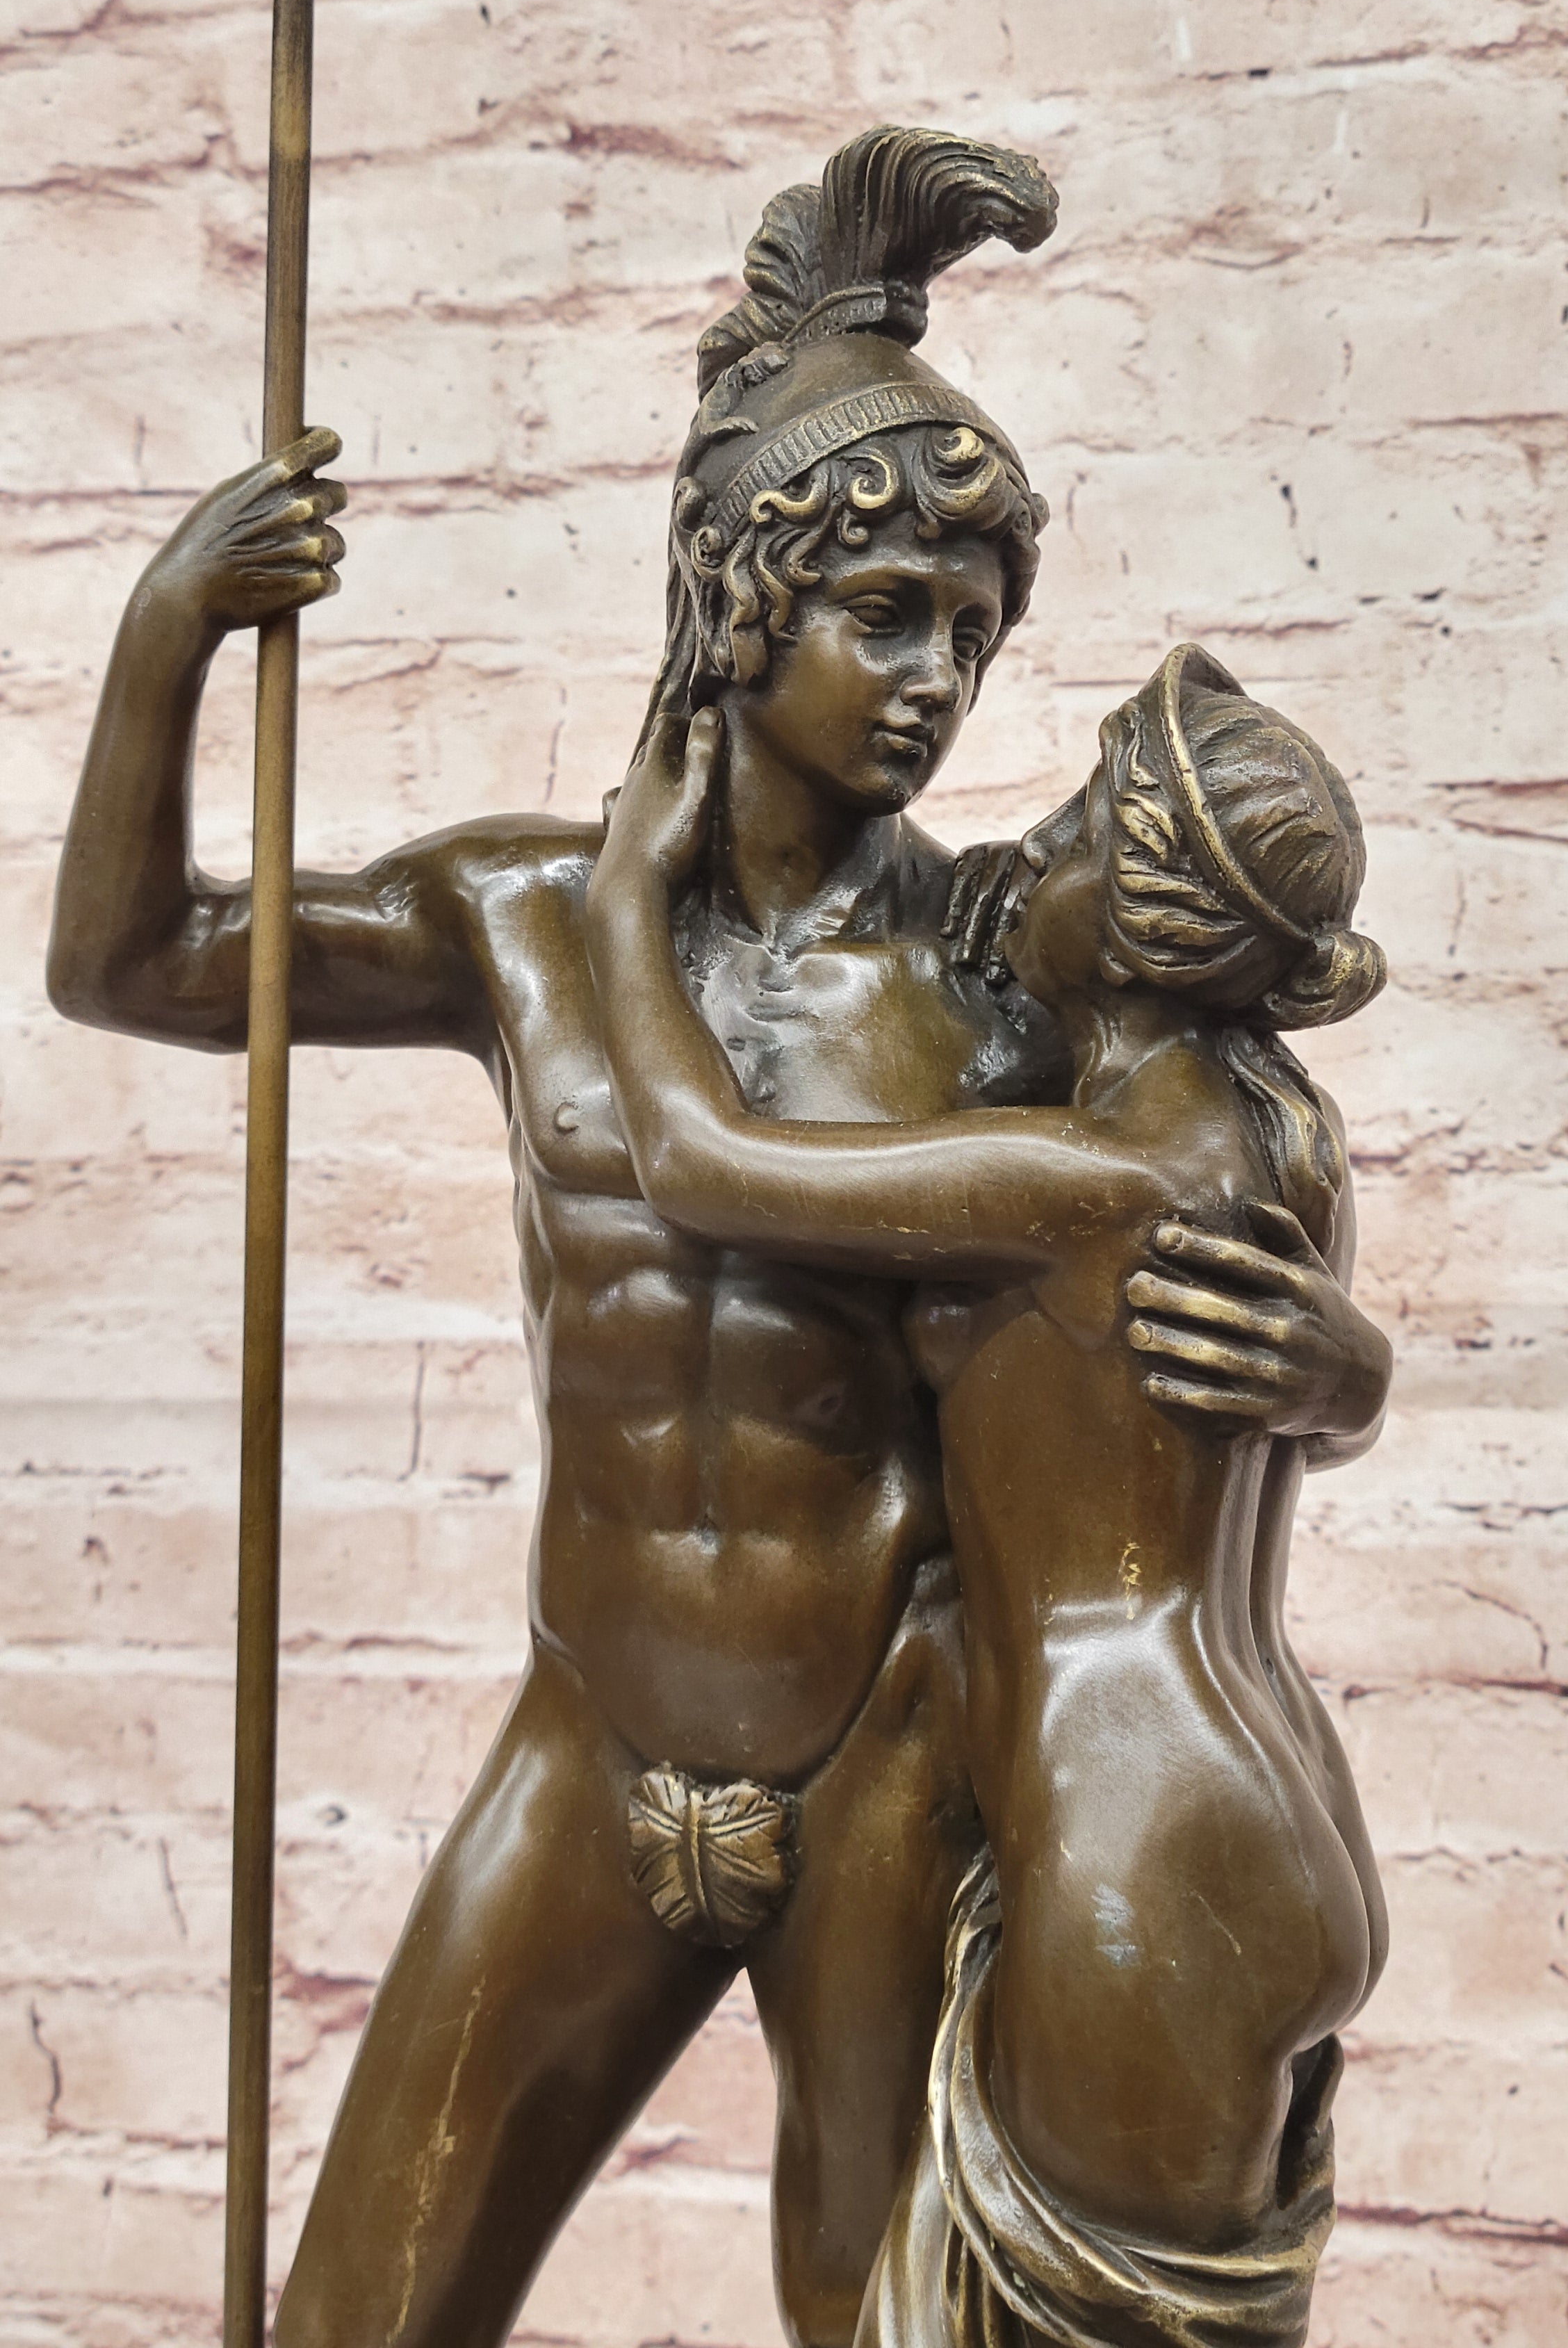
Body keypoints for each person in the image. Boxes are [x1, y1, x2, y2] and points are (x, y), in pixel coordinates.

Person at [47, 128, 1390, 2348]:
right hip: (592, 1734)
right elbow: (136, 965)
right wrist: (169, 632)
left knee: (870, 2311)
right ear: (740, 595)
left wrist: (1347, 1376)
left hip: (882, 1758)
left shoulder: (995, 968)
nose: (940, 676)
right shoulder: (518, 918)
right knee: (362, 2309)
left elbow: (1215, 1184)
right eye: (887, 614)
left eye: (975, 631)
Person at [585, 646, 1391, 2348]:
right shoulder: (1274, 1135)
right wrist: (1359, 1384)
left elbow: (699, 1163)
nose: (1031, 847)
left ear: (1151, 930)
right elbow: (1248, 1415)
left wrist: (624, 902)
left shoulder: (1085, 1182)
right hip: (1256, 1796)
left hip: (1141, 1843)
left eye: (1080, 829)